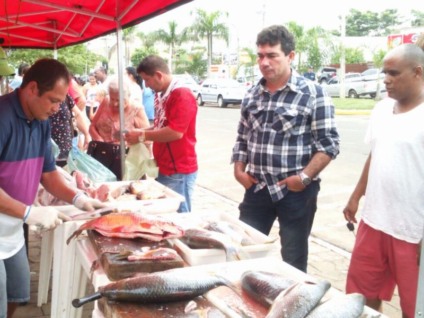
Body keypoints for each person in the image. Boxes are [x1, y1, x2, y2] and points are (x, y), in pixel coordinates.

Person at [0, 58, 105, 318]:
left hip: (11, 230)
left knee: (18, 293)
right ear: (32, 88)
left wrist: (79, 198)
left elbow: (48, 175)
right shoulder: (2, 117)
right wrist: (28, 212)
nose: (59, 108)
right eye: (54, 100)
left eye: (61, 101)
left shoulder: (41, 120)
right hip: (10, 217)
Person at [231, 25, 340, 273]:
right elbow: (242, 137)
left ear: (290, 56)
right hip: (257, 188)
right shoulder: (252, 94)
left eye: (272, 55)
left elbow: (329, 144)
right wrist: (239, 171)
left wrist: (303, 178)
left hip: (296, 193)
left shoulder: (313, 94)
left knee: (292, 258)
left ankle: (292, 307)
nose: (264, 62)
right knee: (242, 251)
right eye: (260, 55)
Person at [343, 44, 424, 318]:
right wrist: (356, 196)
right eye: (384, 72)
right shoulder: (381, 110)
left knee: (414, 308)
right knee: (361, 297)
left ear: (418, 72)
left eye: (393, 73)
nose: (386, 79)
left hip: (413, 232)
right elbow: (375, 154)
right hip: (374, 222)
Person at [124, 55, 198, 213]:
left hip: (178, 169)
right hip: (165, 166)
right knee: (165, 213)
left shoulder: (181, 94)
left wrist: (142, 135)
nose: (147, 86)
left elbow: (176, 132)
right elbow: (160, 125)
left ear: (158, 75)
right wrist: (141, 132)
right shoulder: (161, 94)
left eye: (147, 80)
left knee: (178, 216)